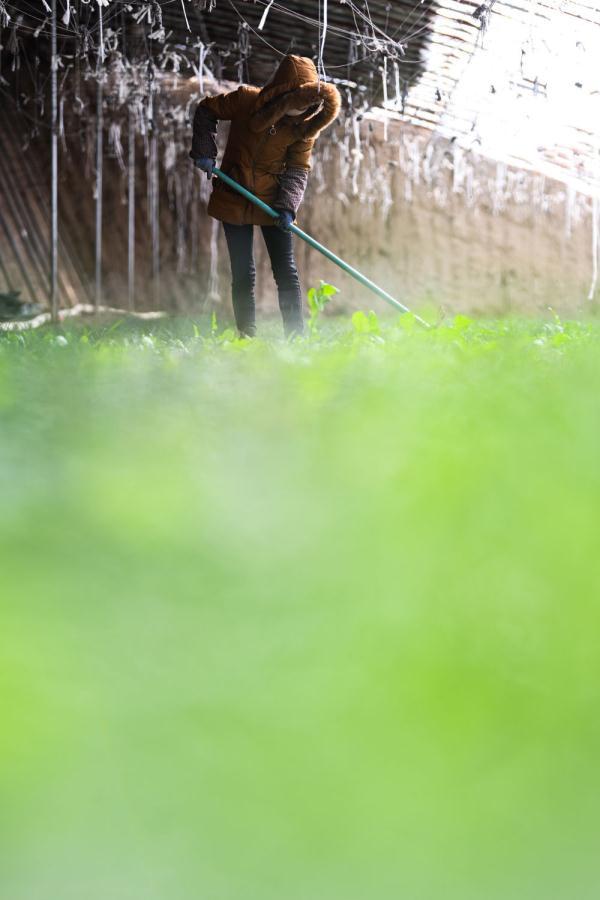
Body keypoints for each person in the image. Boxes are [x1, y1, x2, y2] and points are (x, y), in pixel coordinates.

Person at [189, 54, 341, 338]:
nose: (309, 108)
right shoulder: (246, 100)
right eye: (304, 100)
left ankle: (296, 338)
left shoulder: (304, 129)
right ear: (285, 93)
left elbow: (298, 169)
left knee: (286, 272)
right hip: (234, 192)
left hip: (273, 202)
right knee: (243, 273)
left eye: (314, 103)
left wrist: (287, 207)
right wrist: (204, 151)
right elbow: (207, 111)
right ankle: (246, 336)